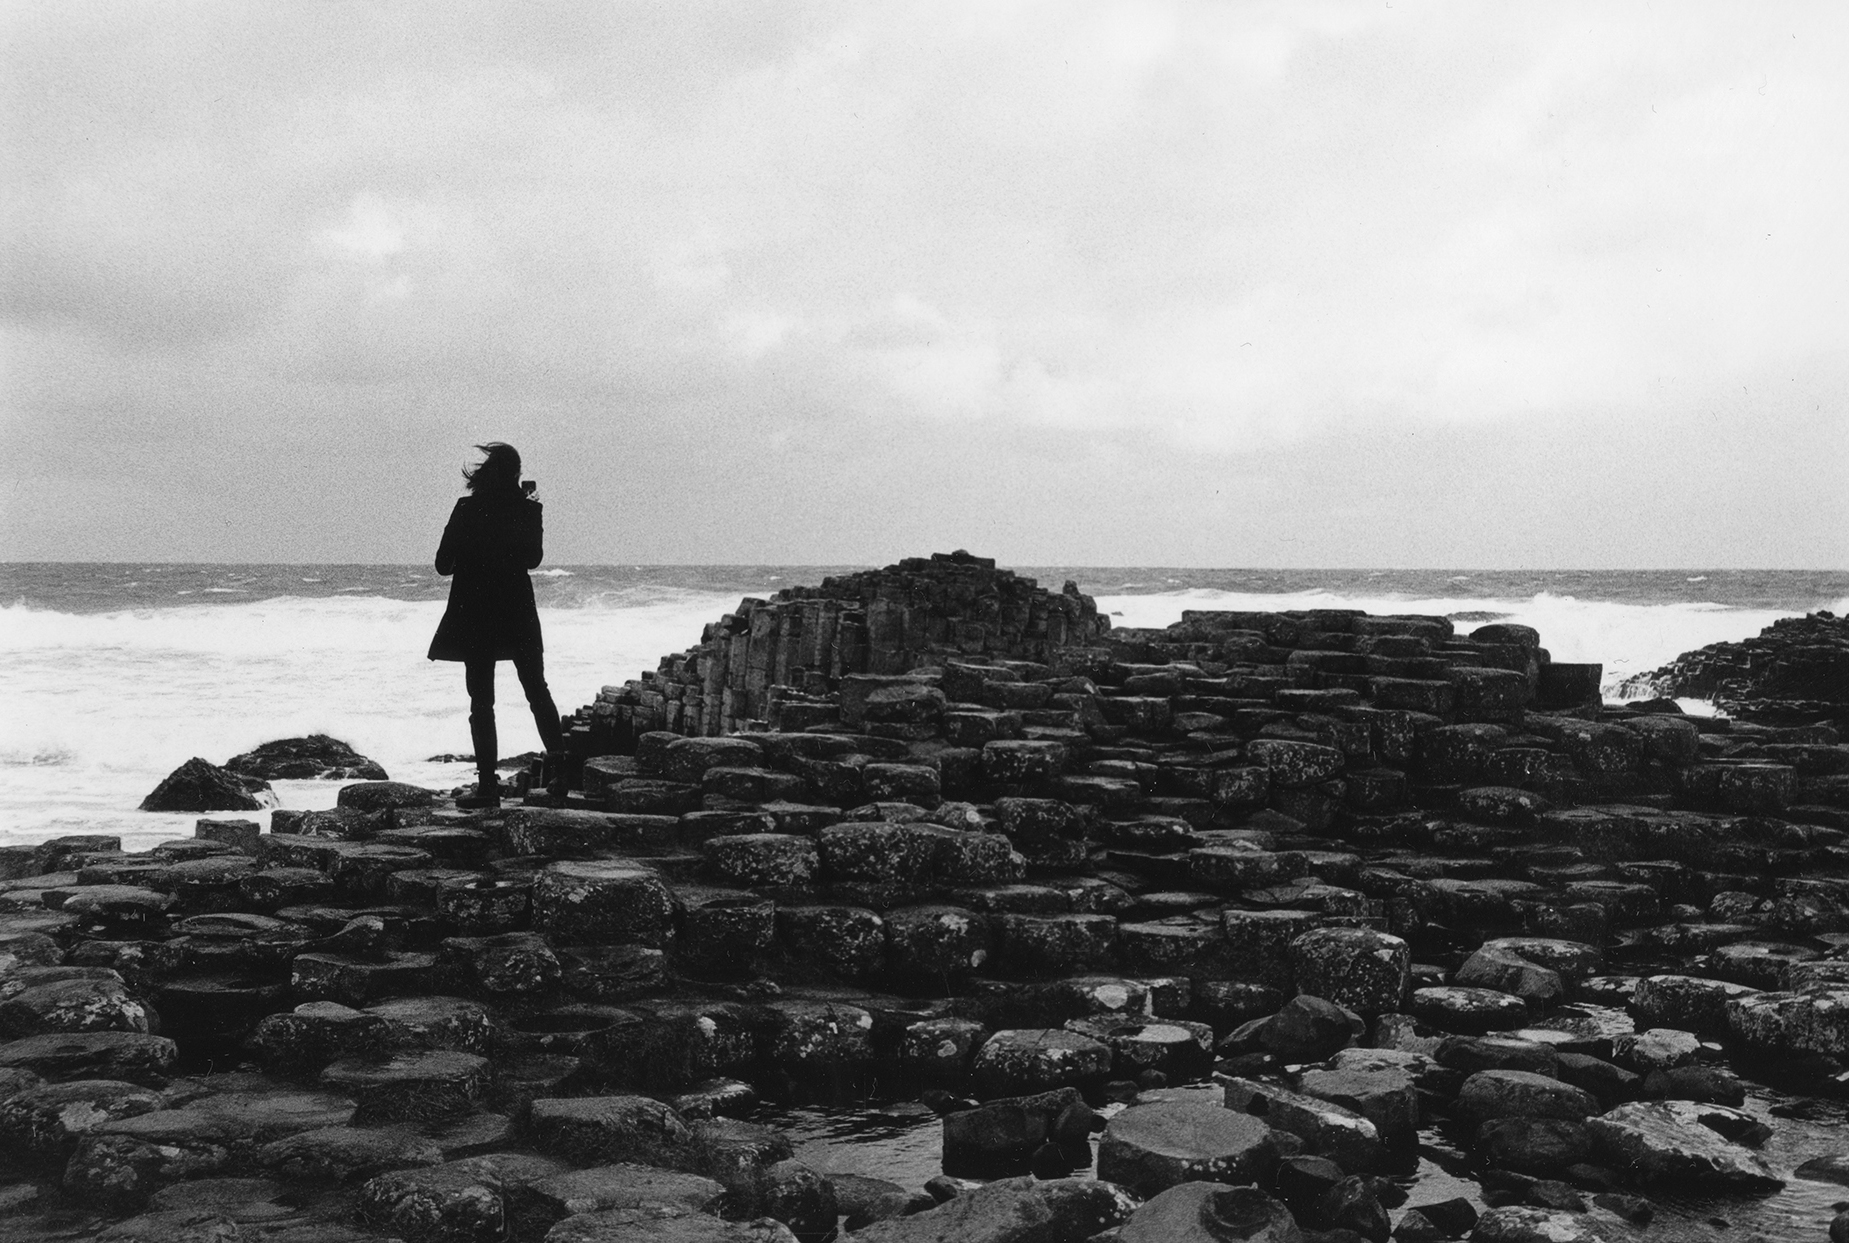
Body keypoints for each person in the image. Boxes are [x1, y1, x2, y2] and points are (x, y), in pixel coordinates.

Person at [428, 442, 564, 808]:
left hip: (476, 610)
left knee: (481, 701)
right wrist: (532, 511)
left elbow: (443, 564)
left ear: (486, 472)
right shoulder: (527, 508)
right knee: (537, 690)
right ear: (518, 474)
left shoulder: (467, 508)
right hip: (517, 608)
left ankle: (487, 787)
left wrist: (472, 556)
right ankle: (561, 778)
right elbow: (532, 559)